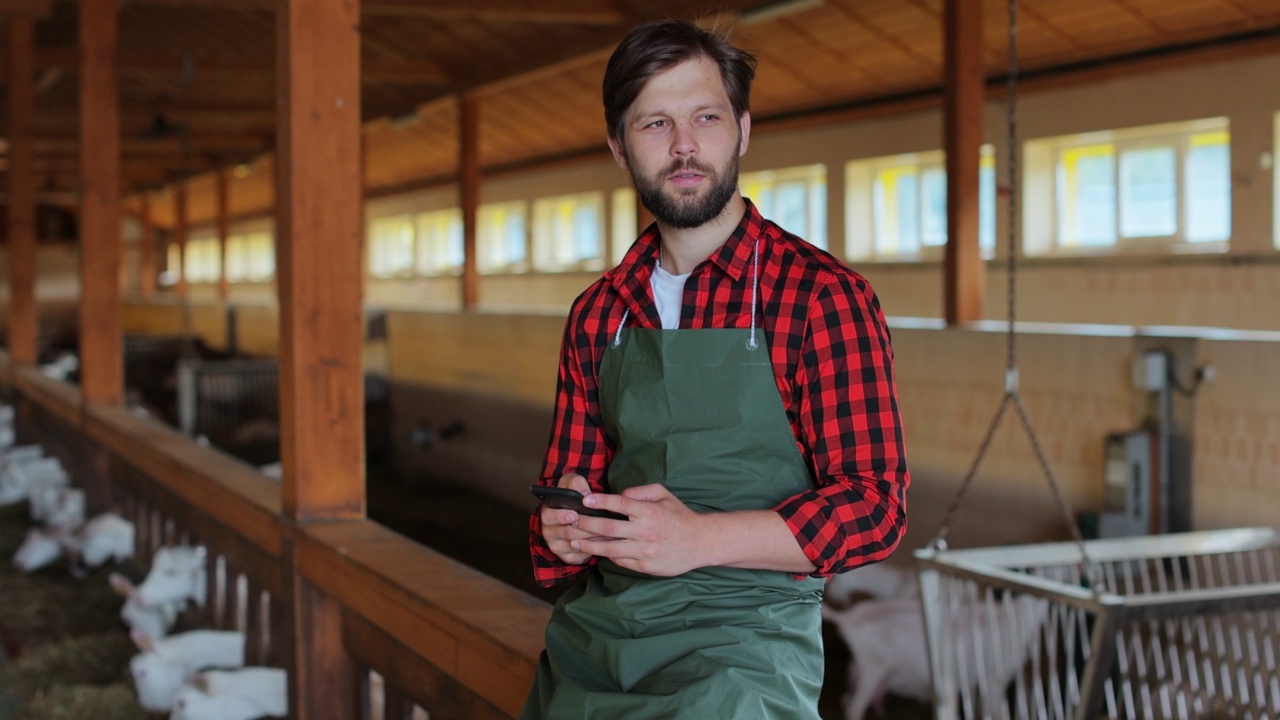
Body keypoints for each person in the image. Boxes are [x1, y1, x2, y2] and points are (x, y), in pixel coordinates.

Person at [522, 19, 910, 719]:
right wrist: (565, 524)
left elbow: (875, 505)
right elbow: (566, 488)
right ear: (618, 146)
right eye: (654, 123)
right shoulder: (598, 313)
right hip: (601, 641)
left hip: (746, 647)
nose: (684, 145)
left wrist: (699, 539)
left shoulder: (819, 298)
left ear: (743, 129)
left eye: (705, 116)